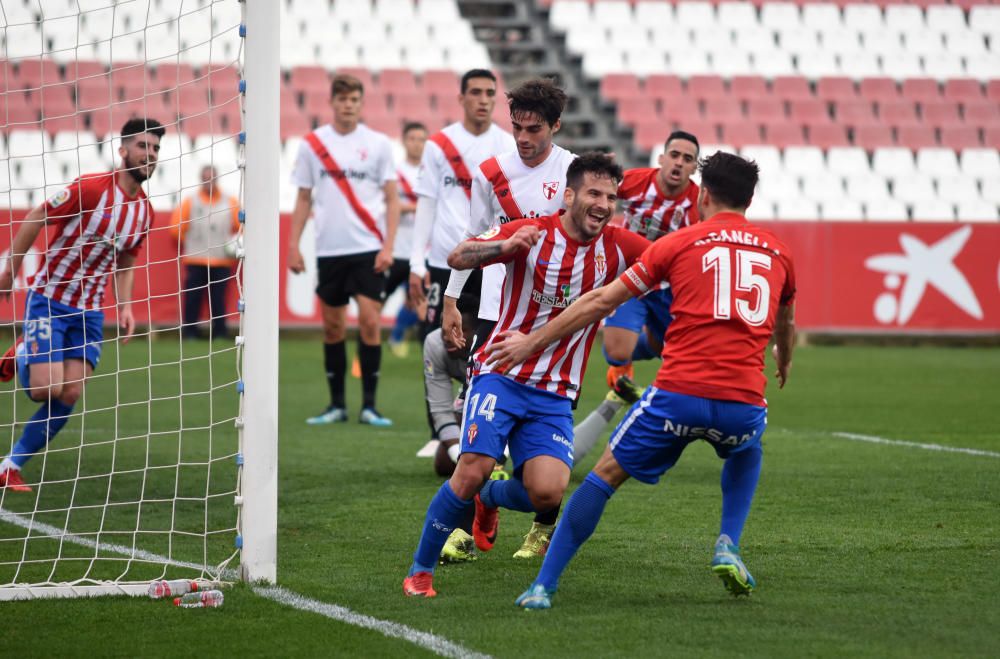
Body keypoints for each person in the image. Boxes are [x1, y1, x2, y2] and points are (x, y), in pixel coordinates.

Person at [484, 152, 797, 609]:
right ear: (749, 199)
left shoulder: (680, 243)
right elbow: (786, 323)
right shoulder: (778, 250)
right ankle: (728, 542)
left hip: (678, 396)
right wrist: (784, 360)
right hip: (743, 401)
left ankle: (543, 586)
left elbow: (599, 302)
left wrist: (532, 341)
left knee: (603, 477)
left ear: (703, 195)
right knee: (747, 449)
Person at [402, 153, 651, 598]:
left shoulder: (620, 246)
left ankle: (489, 501)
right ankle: (420, 571)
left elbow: (669, 260)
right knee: (472, 467)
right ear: (569, 195)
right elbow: (459, 255)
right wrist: (504, 247)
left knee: (547, 494)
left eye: (611, 197)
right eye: (594, 193)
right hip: (500, 373)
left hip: (555, 393)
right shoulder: (532, 232)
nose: (603, 204)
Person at [439, 77, 578, 560]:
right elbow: (473, 240)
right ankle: (465, 521)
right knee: (480, 428)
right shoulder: (491, 172)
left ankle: (543, 521)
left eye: (534, 128)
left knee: (542, 432)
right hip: (500, 313)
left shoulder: (575, 174)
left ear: (555, 126)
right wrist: (453, 300)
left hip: (555, 320)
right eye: (516, 126)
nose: (522, 137)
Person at [0, 118, 165, 492]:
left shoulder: (145, 212)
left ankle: (10, 465)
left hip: (90, 312)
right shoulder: (91, 189)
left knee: (70, 393)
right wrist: (10, 271)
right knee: (46, 390)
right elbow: (38, 215)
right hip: (50, 300)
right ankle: (25, 349)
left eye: (155, 149)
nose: (149, 154)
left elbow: (126, 263)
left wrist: (125, 307)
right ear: (123, 150)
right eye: (142, 146)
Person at [572, 131, 701, 465]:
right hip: (631, 278)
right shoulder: (636, 183)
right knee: (616, 351)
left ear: (693, 167)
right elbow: (598, 196)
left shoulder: (698, 203)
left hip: (668, 287)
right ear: (661, 158)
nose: (679, 162)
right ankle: (621, 373)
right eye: (674, 154)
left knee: (662, 348)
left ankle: (625, 379)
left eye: (687, 159)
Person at [288, 74, 400, 427]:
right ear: (333, 103)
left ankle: (370, 405)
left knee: (370, 322)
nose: (348, 105)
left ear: (361, 103)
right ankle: (336, 404)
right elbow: (304, 197)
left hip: (368, 248)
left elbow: (392, 199)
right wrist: (294, 245)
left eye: (354, 100)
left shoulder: (379, 144)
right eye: (343, 99)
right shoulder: (312, 145)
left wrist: (388, 246)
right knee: (333, 328)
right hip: (329, 251)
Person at [407, 69, 514, 336]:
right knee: (435, 341)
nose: (483, 100)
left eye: (490, 93)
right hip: (445, 260)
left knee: (484, 348)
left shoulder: (508, 146)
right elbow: (427, 204)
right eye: (476, 93)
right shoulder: (438, 145)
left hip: (489, 263)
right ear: (461, 98)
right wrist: (417, 263)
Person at [169, 164, 240, 341]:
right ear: (201, 179)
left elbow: (242, 227)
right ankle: (190, 332)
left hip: (221, 260)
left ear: (217, 179)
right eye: (206, 178)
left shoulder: (230, 201)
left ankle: (220, 332)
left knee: (218, 299)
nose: (209, 182)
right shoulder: (190, 201)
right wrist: (192, 242)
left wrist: (234, 244)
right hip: (196, 259)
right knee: (193, 298)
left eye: (212, 178)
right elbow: (175, 228)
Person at [386, 122, 428, 358]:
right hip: (397, 250)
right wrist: (416, 207)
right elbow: (387, 204)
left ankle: (398, 335)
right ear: (404, 141)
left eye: (421, 139)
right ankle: (370, 345)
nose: (416, 143)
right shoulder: (394, 172)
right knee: (375, 303)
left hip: (423, 250)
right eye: (412, 138)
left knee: (418, 300)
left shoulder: (430, 172)